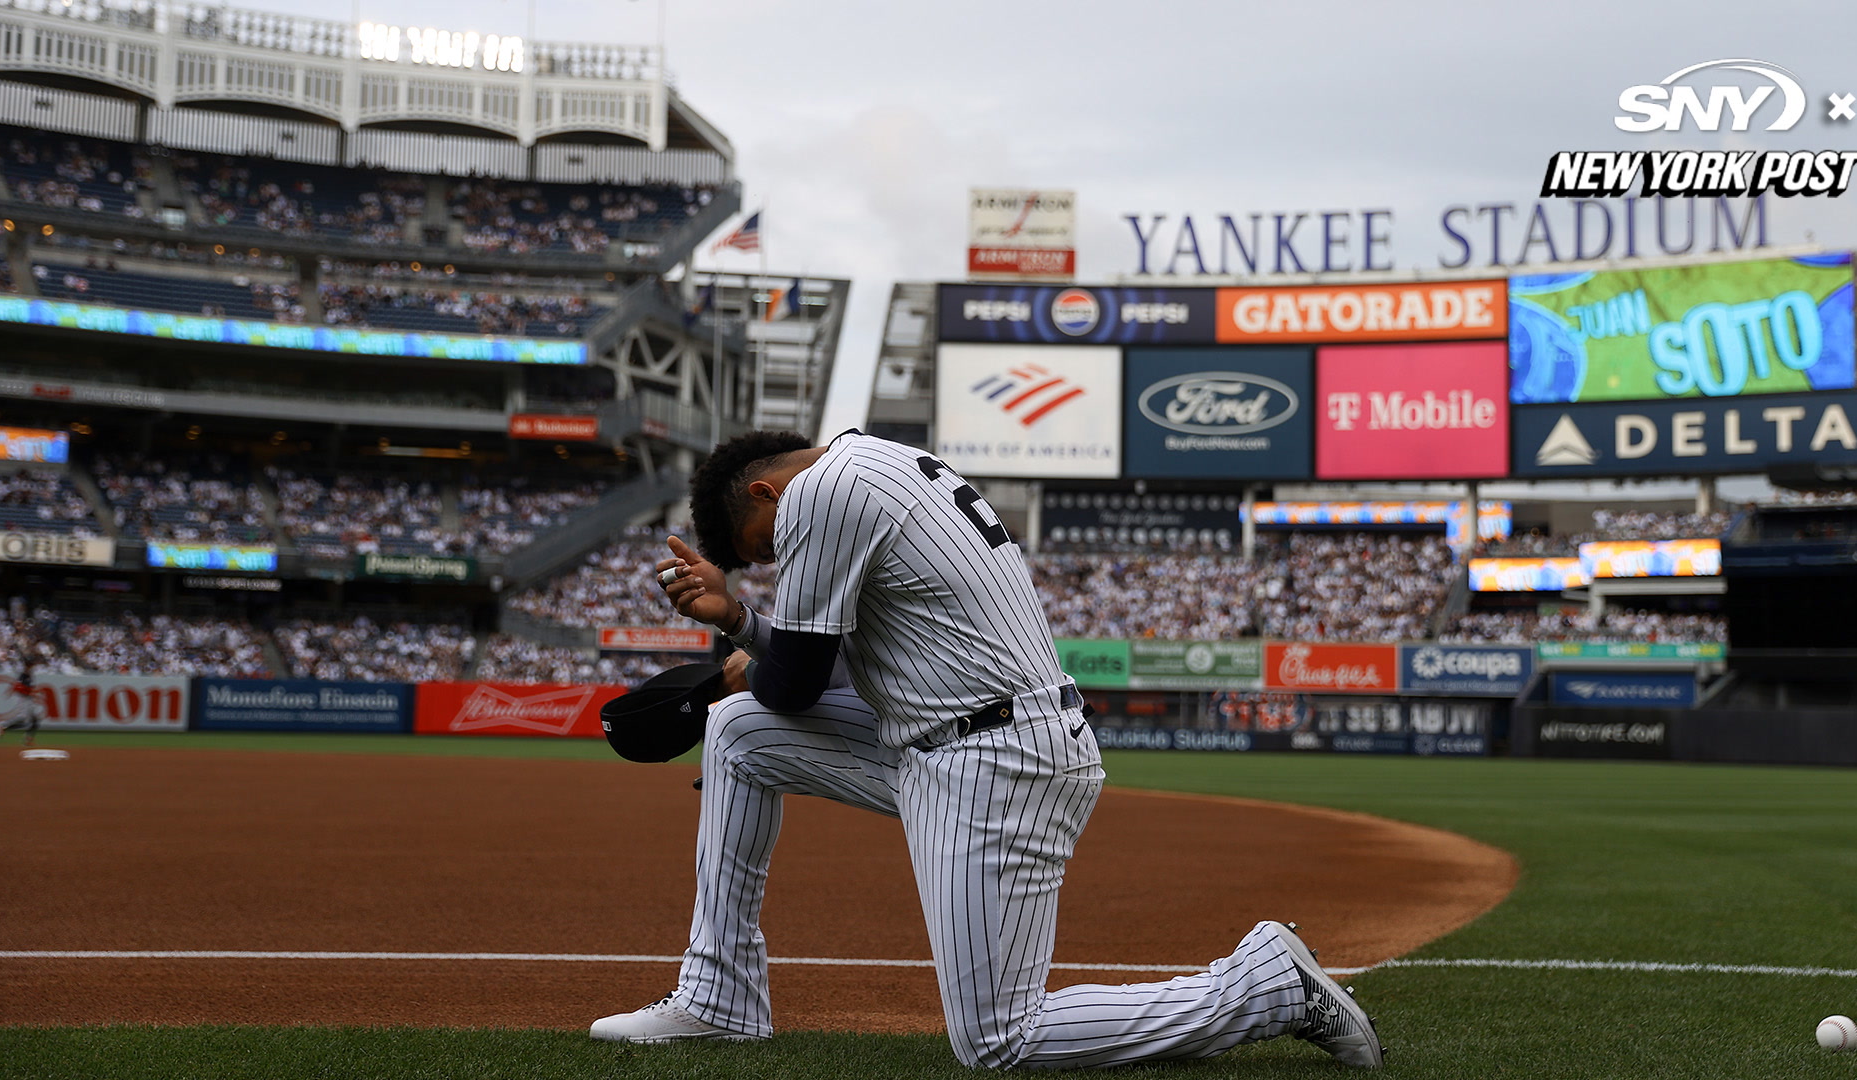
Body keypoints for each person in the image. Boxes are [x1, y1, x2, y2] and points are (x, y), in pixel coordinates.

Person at [590, 430, 1382, 1069]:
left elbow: (794, 684)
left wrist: (746, 641)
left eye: (765, 548)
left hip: (998, 761)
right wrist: (744, 628)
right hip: (954, 741)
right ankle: (721, 998)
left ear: (768, 492)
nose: (773, 563)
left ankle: (1264, 988)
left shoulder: (822, 495)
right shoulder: (878, 462)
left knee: (1001, 1040)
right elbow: (816, 665)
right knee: (737, 733)